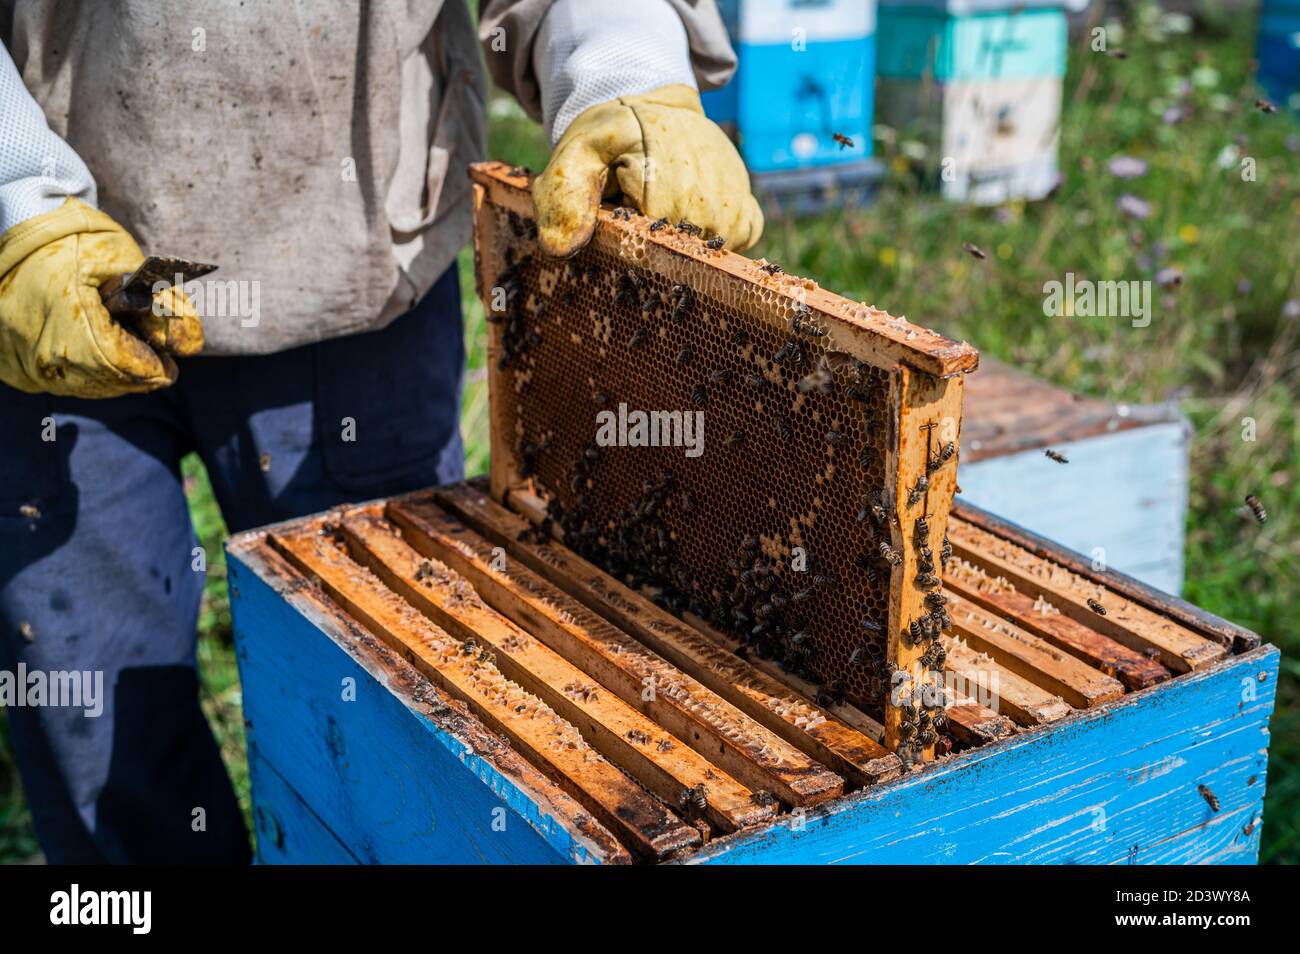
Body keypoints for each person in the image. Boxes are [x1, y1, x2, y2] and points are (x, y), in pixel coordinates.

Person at [0, 0, 762, 864]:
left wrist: (624, 69)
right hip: (50, 281)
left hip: (357, 281)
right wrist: (15, 204)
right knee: (96, 718)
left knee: (385, 728)